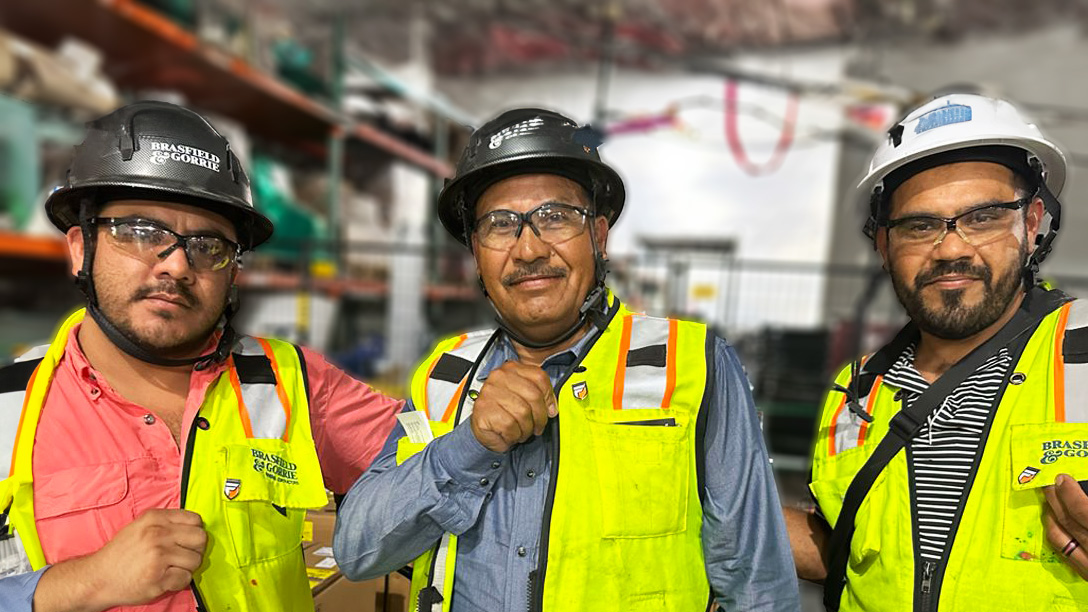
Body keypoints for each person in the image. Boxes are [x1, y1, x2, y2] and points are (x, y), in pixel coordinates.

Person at [332, 108, 799, 612]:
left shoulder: (694, 365)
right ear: (476, 254)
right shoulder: (446, 374)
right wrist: (468, 446)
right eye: (499, 224)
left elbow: (757, 585)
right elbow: (358, 549)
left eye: (555, 217)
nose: (528, 248)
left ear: (599, 236)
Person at [0, 101, 403, 612]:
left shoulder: (292, 383)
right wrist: (87, 583)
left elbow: (435, 460)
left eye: (208, 246)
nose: (175, 265)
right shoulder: (7, 409)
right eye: (141, 233)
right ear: (81, 248)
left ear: (232, 274)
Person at [784, 93, 1088, 611]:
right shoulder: (856, 391)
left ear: (1032, 223)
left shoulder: (1081, 353)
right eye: (919, 225)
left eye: (985, 217)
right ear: (883, 245)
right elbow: (844, 548)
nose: (950, 248)